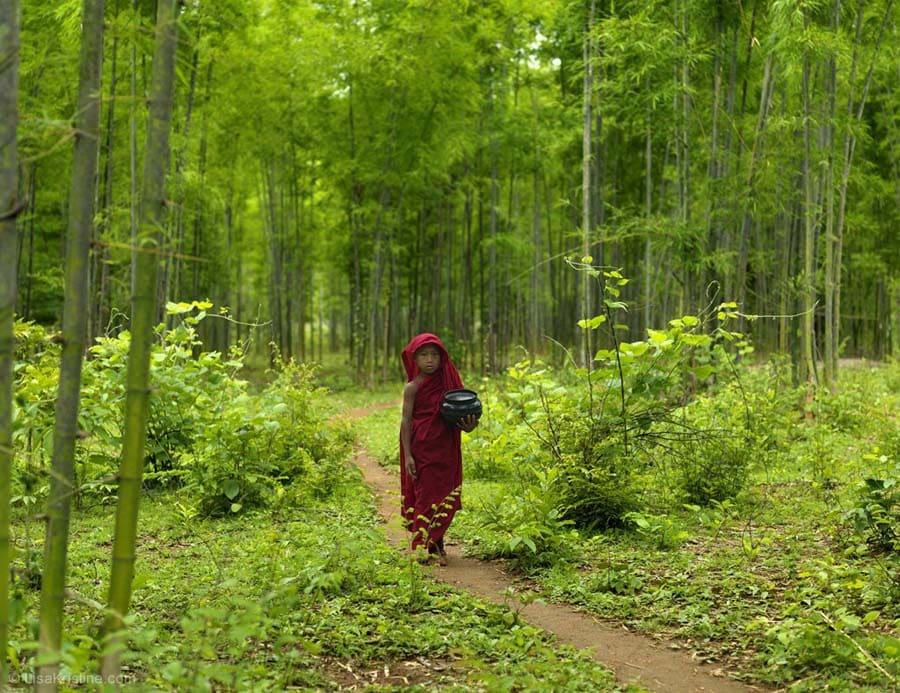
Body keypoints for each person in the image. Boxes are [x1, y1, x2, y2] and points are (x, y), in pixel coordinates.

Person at [399, 333, 478, 565]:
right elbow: (405, 421)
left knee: (444, 495)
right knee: (426, 495)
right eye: (424, 355)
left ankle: (437, 545)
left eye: (434, 354)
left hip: (446, 447)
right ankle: (426, 546)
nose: (430, 360)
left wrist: (470, 425)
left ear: (442, 357)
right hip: (421, 447)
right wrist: (408, 456)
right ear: (415, 359)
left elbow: (462, 413)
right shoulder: (412, 387)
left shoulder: (449, 385)